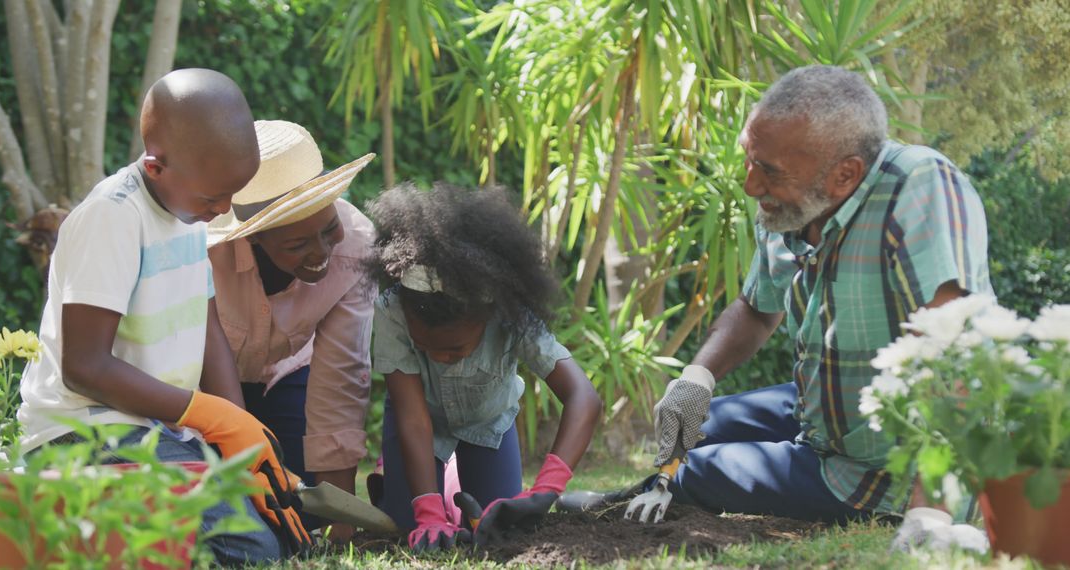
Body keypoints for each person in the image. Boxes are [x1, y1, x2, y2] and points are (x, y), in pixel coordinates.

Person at [563, 64, 991, 524]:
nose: (750, 185)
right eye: (749, 159)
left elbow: (955, 349)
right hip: (827, 411)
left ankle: (636, 502)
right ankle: (645, 491)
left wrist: (933, 514)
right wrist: (697, 378)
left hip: (886, 461)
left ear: (844, 176)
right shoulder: (792, 205)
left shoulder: (918, 185)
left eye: (767, 170)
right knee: (702, 428)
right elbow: (755, 308)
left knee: (700, 469)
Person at [17, 68, 308, 564]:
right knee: (249, 550)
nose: (222, 211)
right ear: (156, 167)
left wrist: (240, 435)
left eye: (230, 197)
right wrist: (209, 415)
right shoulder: (112, 217)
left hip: (158, 429)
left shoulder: (190, 210)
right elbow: (84, 366)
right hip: (83, 431)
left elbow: (208, 328)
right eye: (213, 198)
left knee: (280, 536)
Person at [363, 184, 602, 551]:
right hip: (417, 423)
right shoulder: (393, 310)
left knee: (500, 526)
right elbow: (413, 418)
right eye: (427, 348)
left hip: (488, 425)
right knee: (407, 526)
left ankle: (453, 481)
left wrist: (546, 489)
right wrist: (426, 511)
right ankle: (413, 487)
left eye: (456, 349)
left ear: (488, 316)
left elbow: (583, 397)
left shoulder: (509, 315)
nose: (440, 357)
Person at [206, 119, 376, 542]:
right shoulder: (204, 253)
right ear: (254, 238)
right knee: (231, 507)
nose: (321, 252)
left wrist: (342, 523)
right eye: (298, 244)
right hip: (204, 387)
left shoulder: (355, 248)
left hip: (286, 374)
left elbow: (341, 380)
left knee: (302, 511)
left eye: (328, 228)